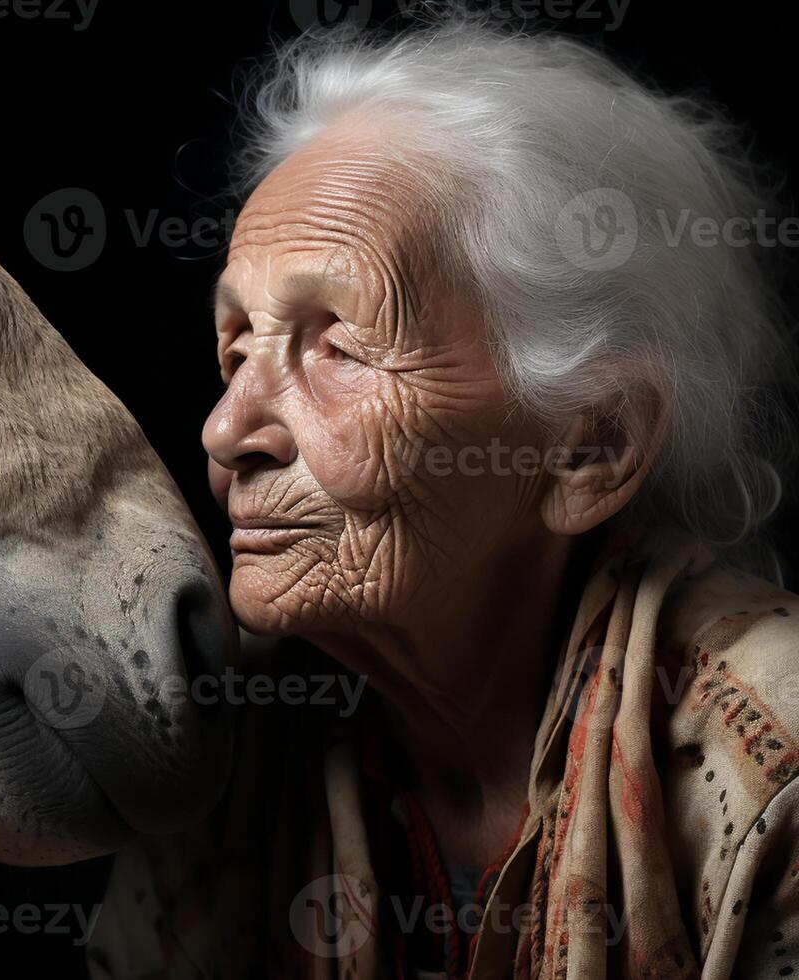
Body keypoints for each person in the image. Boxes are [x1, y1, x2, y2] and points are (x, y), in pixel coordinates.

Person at [91, 12, 799, 979]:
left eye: (337, 344)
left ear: (590, 447)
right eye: (237, 347)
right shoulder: (234, 737)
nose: (225, 432)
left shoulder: (779, 764)